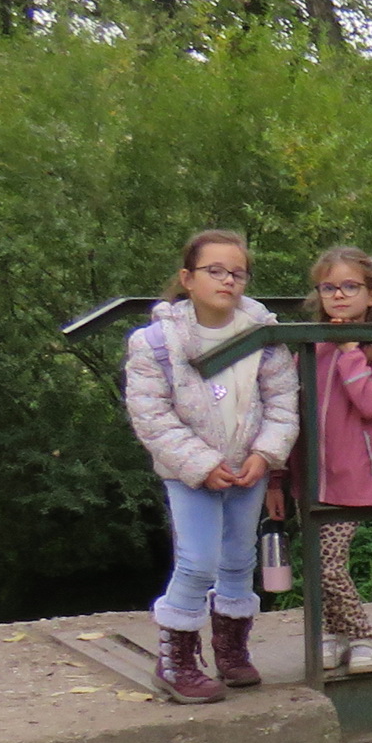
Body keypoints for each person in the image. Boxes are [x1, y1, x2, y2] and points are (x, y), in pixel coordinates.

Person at [124, 231, 299, 704]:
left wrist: (265, 455)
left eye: (237, 273)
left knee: (239, 558)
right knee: (198, 560)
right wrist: (202, 464)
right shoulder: (156, 343)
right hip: (190, 472)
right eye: (215, 271)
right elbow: (151, 416)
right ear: (188, 278)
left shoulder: (264, 336)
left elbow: (283, 404)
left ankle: (231, 650)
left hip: (248, 468)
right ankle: (175, 661)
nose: (227, 281)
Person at [302, 247, 372, 670]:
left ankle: (364, 635)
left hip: (355, 473)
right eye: (329, 287)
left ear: (371, 295)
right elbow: (288, 411)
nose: (339, 295)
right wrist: (277, 477)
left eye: (349, 286)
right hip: (311, 473)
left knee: (329, 564)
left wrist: (349, 351)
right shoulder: (310, 345)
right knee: (317, 562)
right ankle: (334, 632)